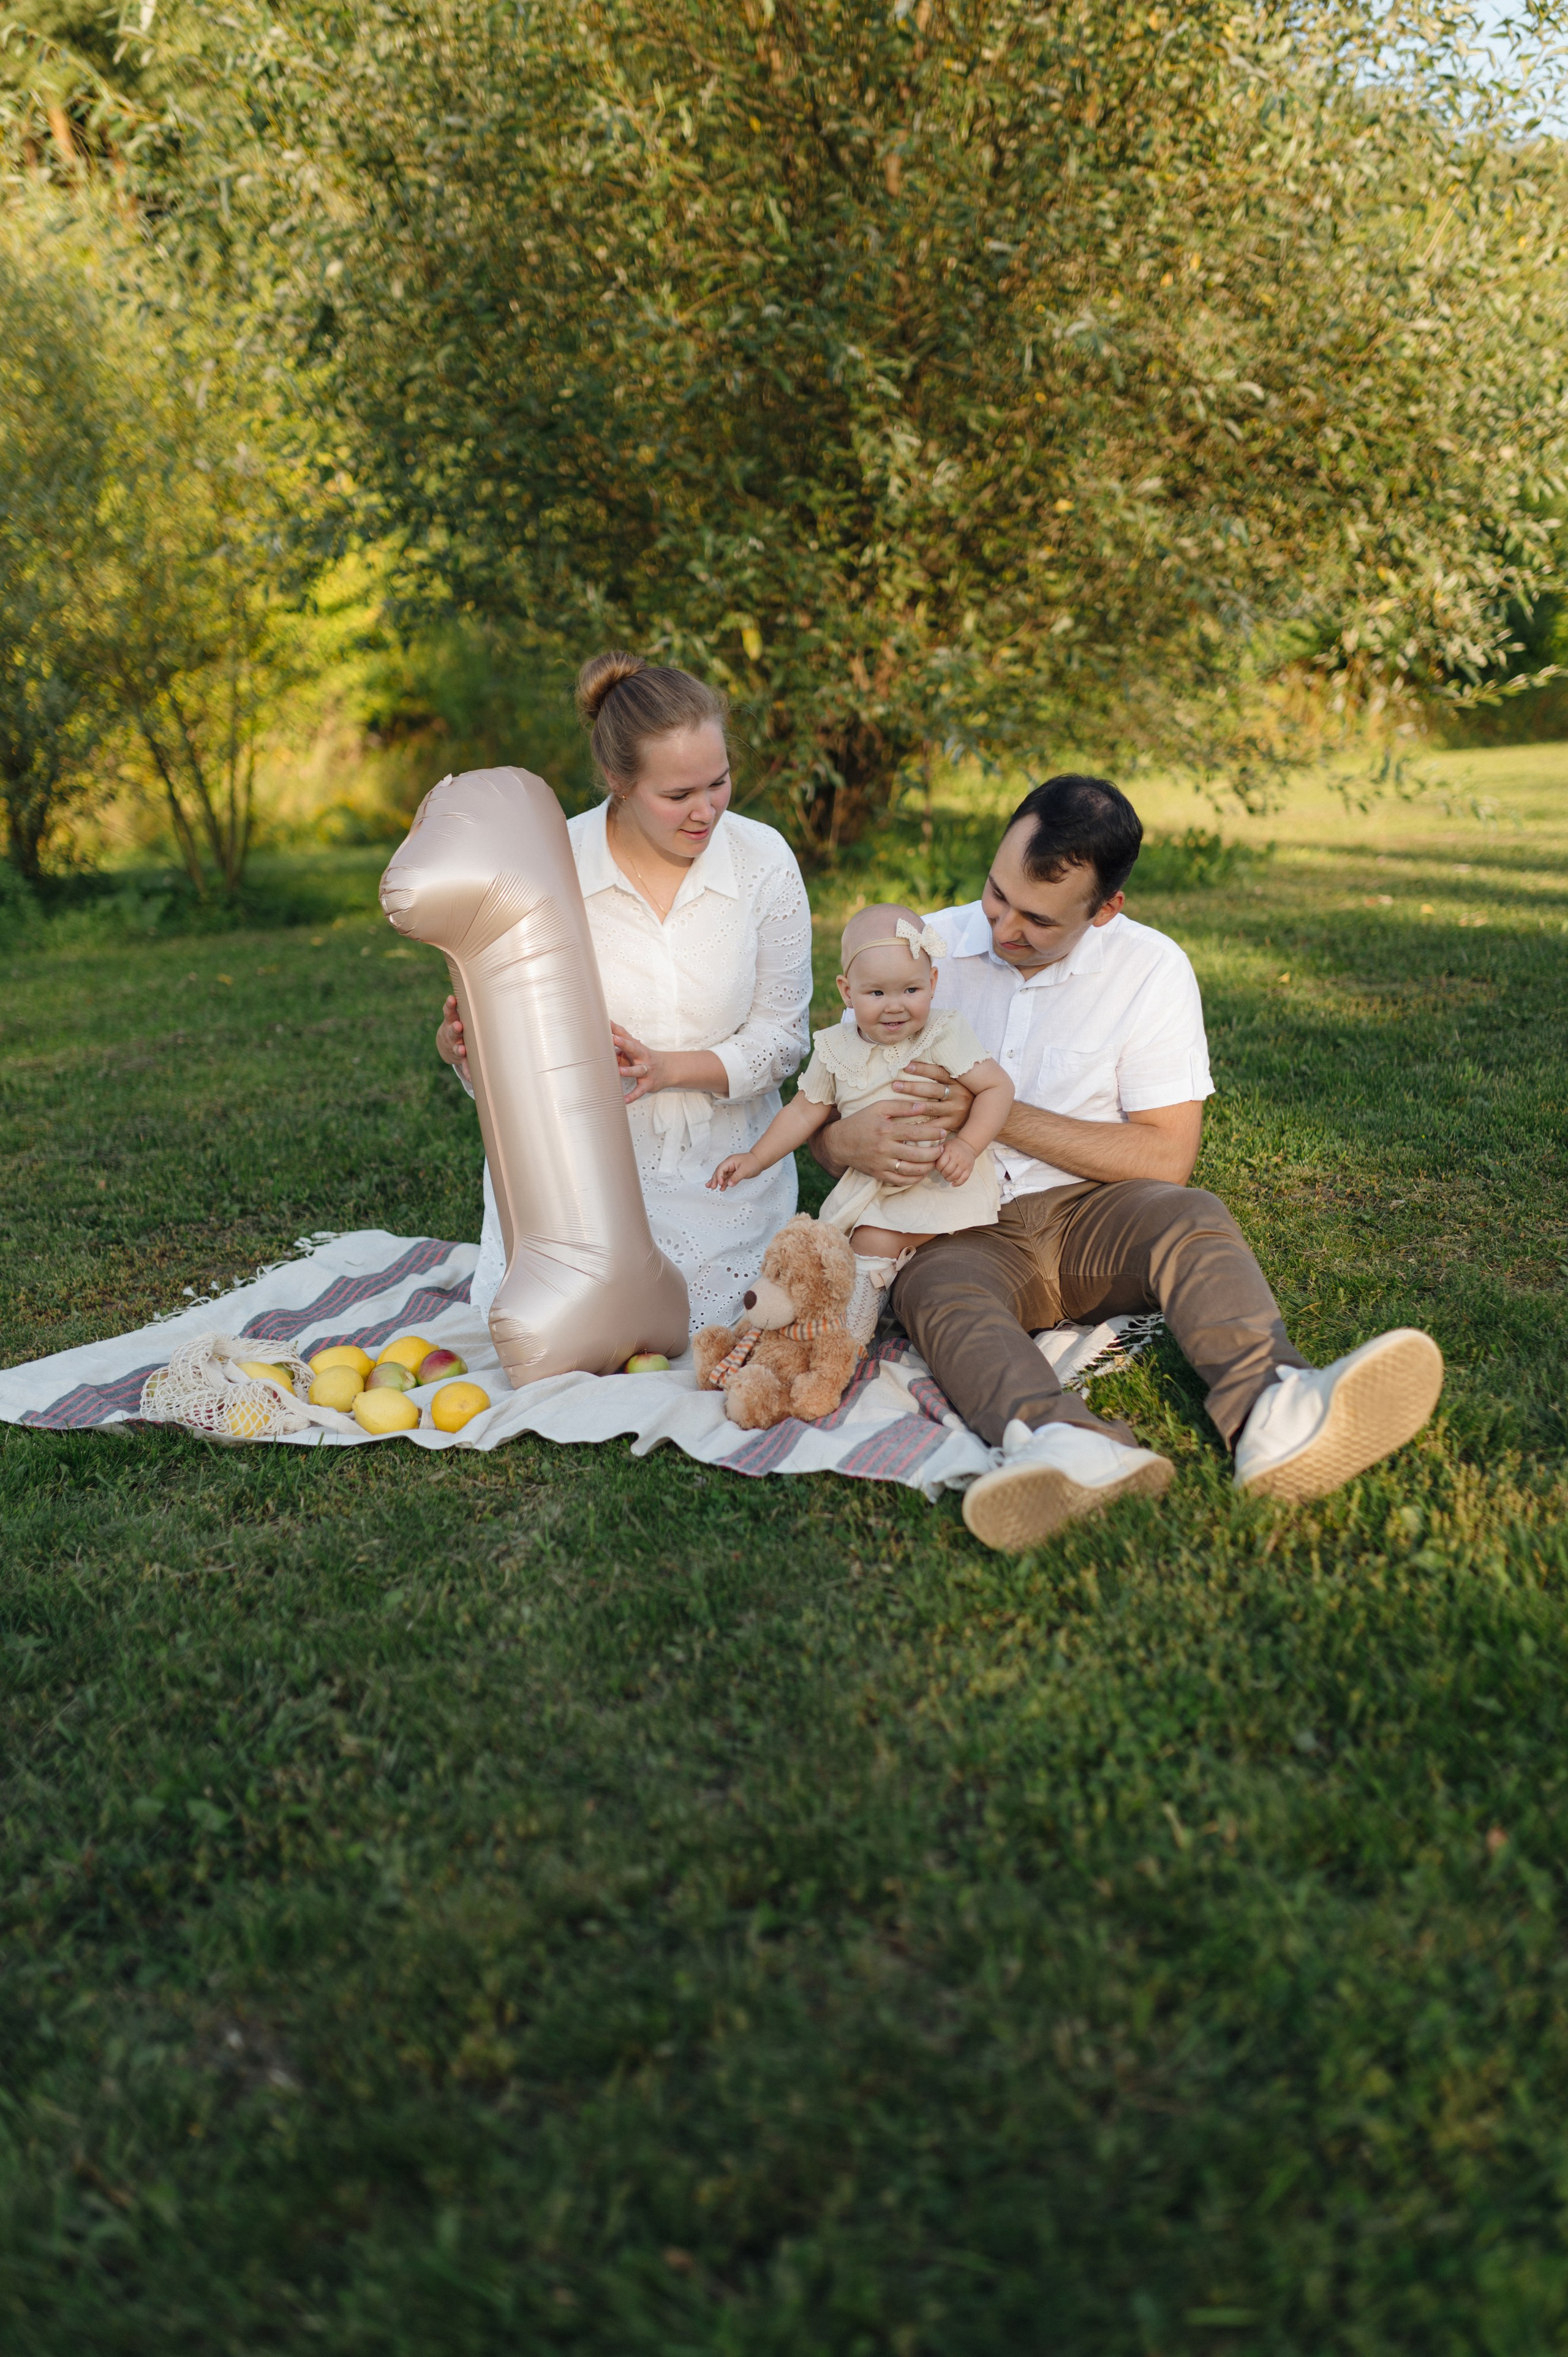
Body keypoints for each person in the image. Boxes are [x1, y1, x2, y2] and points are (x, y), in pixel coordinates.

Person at [810, 774, 1444, 1552]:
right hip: (954, 1228)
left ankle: (1270, 1408)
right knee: (934, 1292)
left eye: (1039, 919)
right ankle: (1063, 1444)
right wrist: (844, 1142)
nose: (1003, 926)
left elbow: (1165, 1154)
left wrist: (994, 1112)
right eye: (997, 894)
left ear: (1105, 909)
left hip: (1093, 1214)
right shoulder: (914, 953)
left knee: (1190, 1216)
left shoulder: (1151, 969)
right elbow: (824, 1119)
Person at [437, 651, 813, 1331]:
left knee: (708, 1337)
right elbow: (518, 1069)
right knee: (566, 1341)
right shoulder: (549, 868)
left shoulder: (764, 861)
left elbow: (784, 1040)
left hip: (726, 1170)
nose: (706, 811)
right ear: (618, 780)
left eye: (719, 782)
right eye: (678, 795)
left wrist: (671, 1069)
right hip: (575, 1183)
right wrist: (469, 1051)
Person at [709, 902, 1013, 1340]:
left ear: (933, 983)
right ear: (847, 991)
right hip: (870, 1183)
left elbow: (997, 1087)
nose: (895, 1007)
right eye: (876, 994)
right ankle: (779, 1330)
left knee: (868, 1243)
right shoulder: (835, 1048)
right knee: (825, 1251)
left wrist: (967, 1145)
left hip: (935, 1182)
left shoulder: (942, 1033)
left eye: (911, 990)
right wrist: (756, 1159)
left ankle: (845, 1342)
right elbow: (804, 1110)